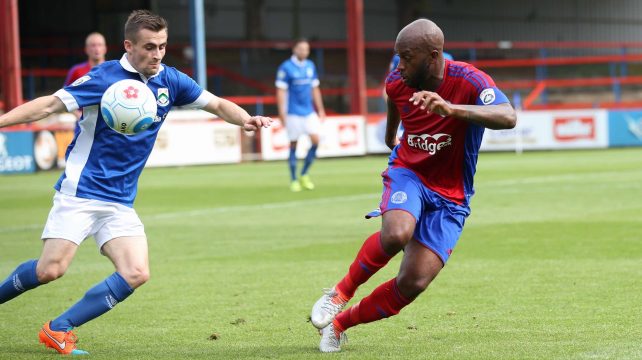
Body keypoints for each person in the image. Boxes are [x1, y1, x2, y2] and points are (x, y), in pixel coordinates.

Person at [0, 10, 272, 355]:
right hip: (82, 192)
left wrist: (246, 119)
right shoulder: (104, 78)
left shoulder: (170, 80)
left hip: (120, 201)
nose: (157, 54)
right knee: (50, 270)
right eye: (148, 47)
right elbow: (49, 105)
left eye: (162, 46)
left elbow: (215, 103)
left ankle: (59, 328)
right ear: (128, 46)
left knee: (136, 272)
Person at [310, 19, 516, 353]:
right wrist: (392, 137)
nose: (399, 66)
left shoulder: (469, 80)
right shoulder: (398, 81)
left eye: (406, 58)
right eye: (398, 58)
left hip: (452, 196)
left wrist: (451, 109)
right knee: (396, 233)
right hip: (410, 173)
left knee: (414, 281)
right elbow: (393, 100)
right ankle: (339, 293)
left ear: (433, 56)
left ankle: (339, 325)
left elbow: (508, 116)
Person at [275, 38, 326, 192]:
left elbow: (315, 88)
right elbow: (280, 91)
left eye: (307, 49)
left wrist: (321, 109)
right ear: (294, 50)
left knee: (316, 141)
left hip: (309, 111)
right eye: (301, 49)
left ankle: (304, 174)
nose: (304, 52)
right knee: (293, 145)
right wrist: (281, 113)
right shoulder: (286, 67)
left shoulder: (310, 66)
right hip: (293, 113)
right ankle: (293, 180)